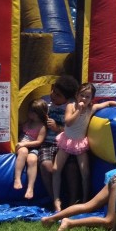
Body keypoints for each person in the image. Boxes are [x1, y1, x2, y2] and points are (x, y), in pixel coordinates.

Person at [52, 82, 116, 211]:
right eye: (82, 95)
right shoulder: (71, 106)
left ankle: (85, 201)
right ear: (76, 95)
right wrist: (78, 110)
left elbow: (107, 104)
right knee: (56, 169)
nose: (84, 99)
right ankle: (56, 199)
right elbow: (68, 123)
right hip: (67, 141)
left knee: (85, 172)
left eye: (87, 96)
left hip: (79, 143)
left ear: (92, 98)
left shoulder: (91, 108)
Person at [38, 75, 79, 206]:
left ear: (66, 98)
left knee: (72, 167)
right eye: (53, 91)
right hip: (47, 142)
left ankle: (73, 200)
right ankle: (55, 199)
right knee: (46, 165)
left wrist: (58, 128)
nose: (53, 95)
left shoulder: (71, 106)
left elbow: (74, 127)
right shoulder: (45, 102)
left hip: (64, 143)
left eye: (58, 95)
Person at [13, 99, 49, 199]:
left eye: (33, 112)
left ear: (39, 114)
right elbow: (19, 130)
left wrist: (26, 143)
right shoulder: (28, 122)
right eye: (30, 111)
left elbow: (39, 141)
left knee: (32, 159)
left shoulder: (42, 126)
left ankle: (30, 188)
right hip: (22, 146)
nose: (30, 113)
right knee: (23, 151)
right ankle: (17, 178)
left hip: (33, 147)